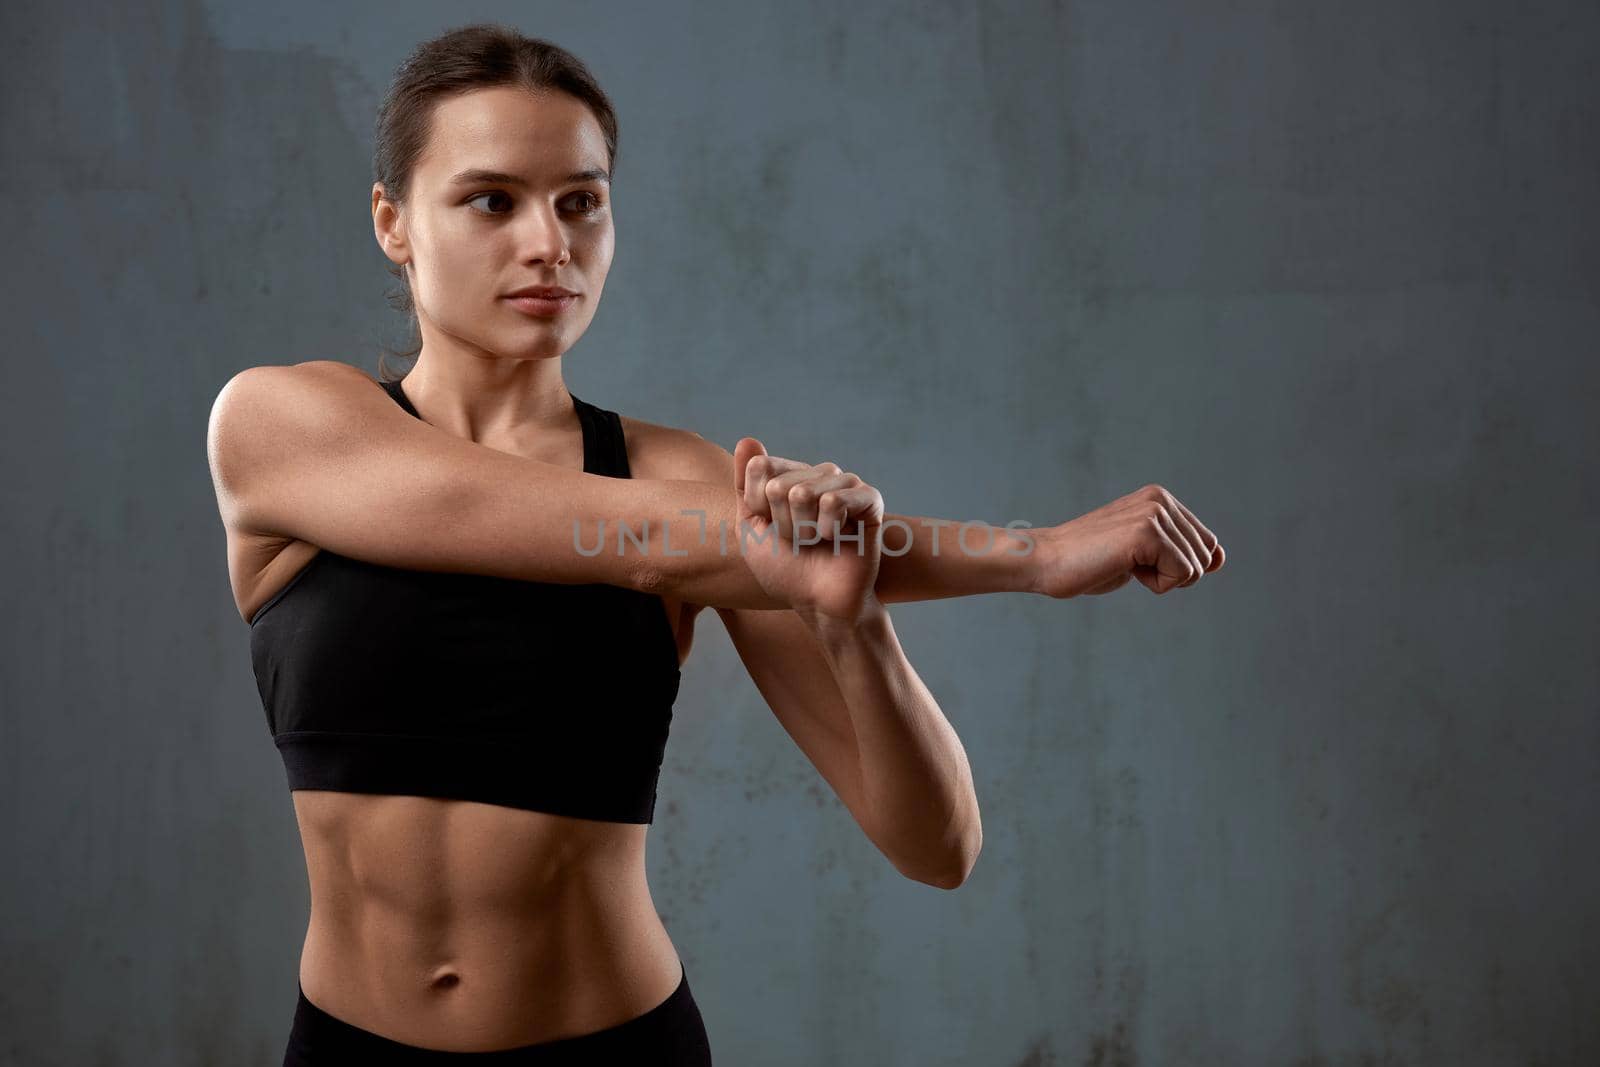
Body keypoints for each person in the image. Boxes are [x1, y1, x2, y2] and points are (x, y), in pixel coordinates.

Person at [204, 24, 1224, 1066]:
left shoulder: (685, 480)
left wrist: (850, 616)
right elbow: (620, 538)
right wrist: (1030, 556)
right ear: (393, 220)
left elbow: (939, 847)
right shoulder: (282, 426)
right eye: (491, 199)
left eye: (581, 200)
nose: (549, 242)